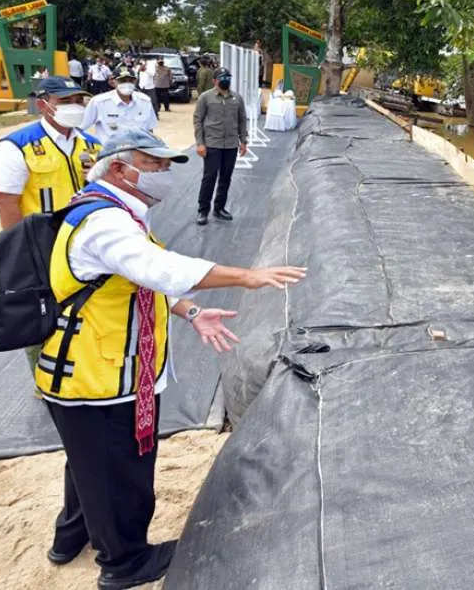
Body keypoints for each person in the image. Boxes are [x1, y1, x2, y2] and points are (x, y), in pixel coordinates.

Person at [35, 127, 306, 589]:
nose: (164, 174)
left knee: (88, 461)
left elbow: (138, 279)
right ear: (121, 168)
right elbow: (158, 269)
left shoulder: (112, 211)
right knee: (118, 466)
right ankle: (123, 562)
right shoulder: (106, 222)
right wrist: (247, 276)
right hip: (98, 372)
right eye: (155, 165)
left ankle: (71, 537)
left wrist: (191, 310)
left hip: (88, 367)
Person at [0, 76, 101, 372]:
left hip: (86, 243)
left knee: (87, 308)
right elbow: (6, 202)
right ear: (43, 105)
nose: (75, 107)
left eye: (79, 100)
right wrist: (19, 252)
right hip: (40, 248)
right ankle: (44, 375)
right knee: (43, 313)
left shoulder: (91, 145)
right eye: (65, 101)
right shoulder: (16, 146)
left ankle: (81, 370)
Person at [193, 68, 247, 226]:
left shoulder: (237, 98)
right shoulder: (205, 97)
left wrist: (243, 141)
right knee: (209, 178)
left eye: (228, 77)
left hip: (230, 144)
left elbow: (242, 120)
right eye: (222, 77)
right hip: (212, 144)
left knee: (225, 178)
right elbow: (198, 120)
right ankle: (203, 211)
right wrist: (200, 143)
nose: (225, 80)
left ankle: (219, 208)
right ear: (214, 80)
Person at [81, 69, 157, 140]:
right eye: (122, 81)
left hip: (139, 151)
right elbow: (80, 127)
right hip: (110, 152)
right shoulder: (99, 102)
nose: (127, 84)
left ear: (135, 81)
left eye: (130, 80)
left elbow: (149, 130)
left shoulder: (145, 101)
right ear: (113, 82)